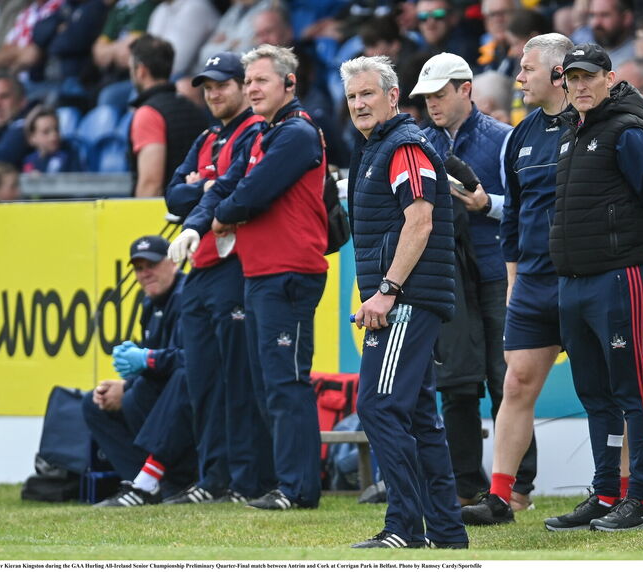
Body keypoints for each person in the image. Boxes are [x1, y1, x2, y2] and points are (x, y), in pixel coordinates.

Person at [545, 43, 643, 532]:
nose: (579, 86)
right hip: (574, 282)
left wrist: (630, 252)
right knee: (594, 393)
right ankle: (606, 494)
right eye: (572, 79)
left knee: (632, 388)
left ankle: (640, 499)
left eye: (588, 77)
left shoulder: (627, 131)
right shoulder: (570, 133)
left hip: (617, 278)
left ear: (609, 78)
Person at [340, 54, 467, 550]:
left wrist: (387, 292)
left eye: (368, 93)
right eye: (352, 96)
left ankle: (403, 528)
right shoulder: (377, 147)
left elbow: (421, 221)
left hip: (406, 299)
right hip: (408, 297)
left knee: (378, 406)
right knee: (417, 418)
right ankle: (447, 533)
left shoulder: (404, 146)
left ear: (393, 97)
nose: (359, 103)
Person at [203, 44, 328, 511]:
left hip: (288, 272)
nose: (252, 88)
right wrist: (220, 207)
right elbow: (229, 186)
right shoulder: (266, 134)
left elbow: (249, 194)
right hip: (262, 273)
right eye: (249, 81)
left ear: (289, 84)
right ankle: (286, 484)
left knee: (285, 383)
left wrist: (222, 214)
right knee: (268, 385)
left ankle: (298, 490)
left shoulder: (295, 133)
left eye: (262, 81)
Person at [411, 52, 537, 510]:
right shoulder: (419, 143)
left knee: (510, 379)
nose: (432, 105)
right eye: (426, 98)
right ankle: (466, 484)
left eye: (440, 94)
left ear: (465, 89)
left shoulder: (505, 140)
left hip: (497, 272)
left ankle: (518, 488)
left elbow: (527, 207)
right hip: (448, 277)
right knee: (457, 384)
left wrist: (487, 205)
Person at [461, 32, 574, 527]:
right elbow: (512, 221)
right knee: (516, 383)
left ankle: (622, 495)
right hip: (530, 281)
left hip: (585, 276)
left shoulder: (596, 126)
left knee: (607, 388)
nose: (519, 77)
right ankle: (502, 497)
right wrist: (513, 282)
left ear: (558, 73)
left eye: (527, 69)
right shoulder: (521, 135)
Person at [163, 51, 272, 504]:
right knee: (203, 378)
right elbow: (173, 197)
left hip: (234, 265)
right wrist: (201, 188)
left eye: (221, 85)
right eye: (207, 87)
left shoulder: (253, 132)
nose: (213, 94)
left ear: (241, 86)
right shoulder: (207, 136)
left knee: (237, 377)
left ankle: (245, 480)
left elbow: (234, 188)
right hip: (200, 267)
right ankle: (212, 479)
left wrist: (203, 187)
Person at [82, 235, 197, 505]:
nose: (145, 274)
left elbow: (189, 364)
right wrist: (126, 382)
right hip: (167, 394)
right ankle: (143, 484)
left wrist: (138, 373)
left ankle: (155, 482)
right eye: (138, 268)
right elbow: (154, 362)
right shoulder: (149, 303)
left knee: (139, 392)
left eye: (152, 265)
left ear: (173, 263)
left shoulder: (185, 297)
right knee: (94, 402)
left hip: (194, 402)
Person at [127, 35, 208, 197]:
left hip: (163, 216)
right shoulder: (193, 107)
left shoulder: (148, 114)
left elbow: (151, 185)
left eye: (131, 69)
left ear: (141, 71)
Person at [22, 106, 82, 173]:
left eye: (56, 129)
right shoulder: (29, 161)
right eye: (46, 132)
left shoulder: (71, 154)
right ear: (32, 137)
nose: (54, 136)